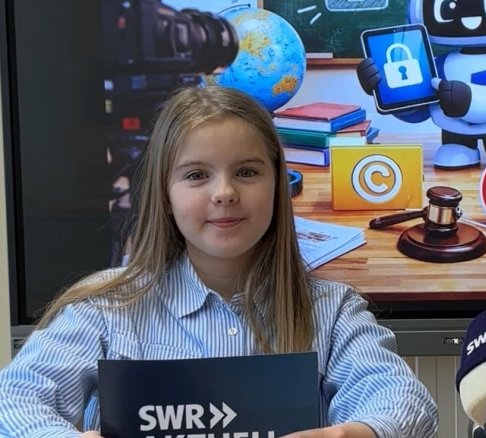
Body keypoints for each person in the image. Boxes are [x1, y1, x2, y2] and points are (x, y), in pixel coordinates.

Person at [0, 86, 438, 438]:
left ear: (278, 185)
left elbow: (404, 399)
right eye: (196, 175)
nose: (225, 193)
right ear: (166, 194)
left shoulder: (333, 310)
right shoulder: (105, 308)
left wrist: (357, 432)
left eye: (247, 172)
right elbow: (15, 397)